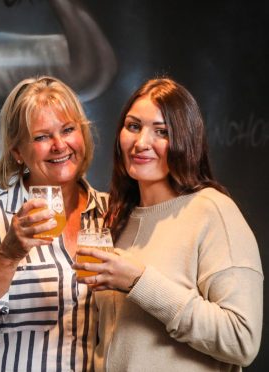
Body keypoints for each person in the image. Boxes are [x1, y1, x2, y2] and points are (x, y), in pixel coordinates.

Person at [72, 77, 263, 371]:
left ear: (186, 140)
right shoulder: (118, 218)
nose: (141, 143)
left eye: (161, 131)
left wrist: (139, 281)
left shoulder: (213, 211)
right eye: (133, 126)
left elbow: (241, 341)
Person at [0, 76, 108, 371]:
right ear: (18, 152)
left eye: (68, 130)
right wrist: (7, 255)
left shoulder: (111, 212)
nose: (59, 146)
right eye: (42, 137)